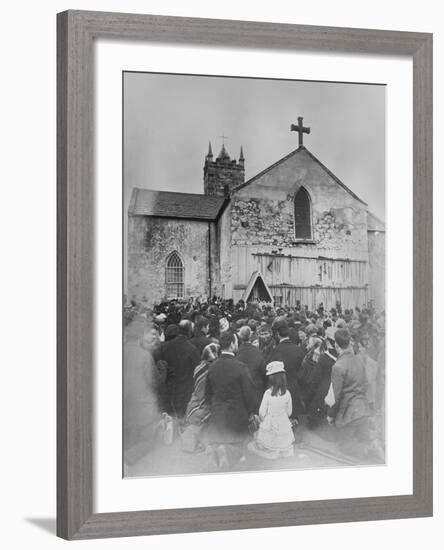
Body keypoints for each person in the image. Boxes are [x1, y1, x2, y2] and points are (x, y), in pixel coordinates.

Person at [203, 331, 257, 471]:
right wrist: (251, 411)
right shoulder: (241, 367)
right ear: (233, 344)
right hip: (236, 415)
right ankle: (226, 452)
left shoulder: (212, 366)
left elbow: (207, 394)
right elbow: (249, 394)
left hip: (217, 415)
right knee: (238, 445)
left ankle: (213, 451)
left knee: (220, 437)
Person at [326, 329, 373, 459]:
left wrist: (330, 415)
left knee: (344, 445)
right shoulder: (359, 360)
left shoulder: (338, 366)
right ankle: (373, 446)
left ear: (336, 345)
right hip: (363, 409)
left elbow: (337, 395)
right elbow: (366, 383)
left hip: (349, 413)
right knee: (363, 437)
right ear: (349, 343)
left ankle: (369, 451)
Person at [123, 317, 162, 467]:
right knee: (147, 441)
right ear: (140, 337)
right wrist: (162, 369)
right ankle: (127, 458)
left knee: (129, 433)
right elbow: (154, 381)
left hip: (126, 402)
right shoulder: (144, 355)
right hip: (143, 403)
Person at [248, 361, 294, 459]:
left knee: (264, 443)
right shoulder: (287, 393)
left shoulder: (268, 393)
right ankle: (280, 449)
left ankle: (271, 449)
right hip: (282, 422)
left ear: (271, 379)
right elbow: (289, 412)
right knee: (283, 444)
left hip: (270, 422)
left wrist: (264, 421)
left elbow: (261, 412)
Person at [181, 343, 220, 452]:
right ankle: (197, 443)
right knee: (201, 422)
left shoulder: (198, 368)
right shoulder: (213, 370)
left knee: (195, 420)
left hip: (195, 399)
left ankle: (193, 442)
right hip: (204, 401)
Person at [160, 319, 200, 418]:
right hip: (185, 391)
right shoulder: (192, 349)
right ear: (190, 331)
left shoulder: (164, 347)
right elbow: (197, 370)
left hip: (168, 391)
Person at [268, 318, 304, 417]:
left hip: (279, 391)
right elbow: (302, 372)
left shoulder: (275, 351)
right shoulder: (298, 350)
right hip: (295, 390)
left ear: (277, 334)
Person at [236, 325, 266, 410]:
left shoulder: (238, 352)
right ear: (250, 336)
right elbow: (263, 370)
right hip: (257, 387)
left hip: (242, 389)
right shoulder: (257, 352)